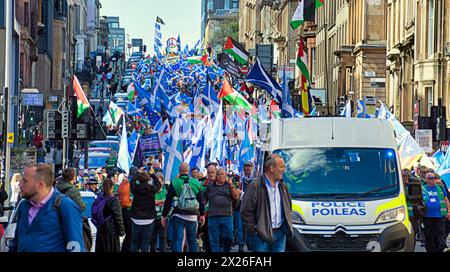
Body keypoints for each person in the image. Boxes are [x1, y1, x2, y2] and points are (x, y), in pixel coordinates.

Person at [9, 164, 84, 252]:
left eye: (25, 181)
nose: (20, 184)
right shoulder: (23, 205)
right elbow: (16, 243)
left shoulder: (65, 206)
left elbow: (75, 247)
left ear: (40, 185)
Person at [240, 154, 293, 252]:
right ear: (272, 168)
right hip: (260, 236)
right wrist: (255, 229)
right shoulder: (255, 185)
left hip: (280, 234)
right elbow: (245, 211)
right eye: (281, 167)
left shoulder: (283, 186)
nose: (284, 170)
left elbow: (288, 206)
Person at [161, 163, 205, 252]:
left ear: (179, 170)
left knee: (177, 239)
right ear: (188, 170)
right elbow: (201, 200)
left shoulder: (175, 182)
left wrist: (164, 215)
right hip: (192, 216)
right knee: (192, 240)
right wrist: (202, 214)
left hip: (178, 215)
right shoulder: (195, 182)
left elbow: (168, 201)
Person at [204, 168, 240, 252]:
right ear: (216, 176)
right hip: (213, 217)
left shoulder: (229, 185)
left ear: (226, 176)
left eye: (222, 174)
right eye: (219, 174)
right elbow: (204, 200)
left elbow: (236, 196)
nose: (220, 176)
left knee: (228, 238)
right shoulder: (210, 186)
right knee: (213, 240)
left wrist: (231, 185)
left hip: (227, 216)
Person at [130, 171, 161, 252]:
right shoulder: (152, 188)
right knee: (146, 242)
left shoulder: (135, 189)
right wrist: (152, 174)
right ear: (148, 179)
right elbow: (159, 184)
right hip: (149, 218)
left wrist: (136, 175)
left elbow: (132, 182)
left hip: (136, 218)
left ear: (139, 179)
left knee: (134, 241)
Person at [421, 172, 450, 252]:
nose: (433, 179)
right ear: (427, 180)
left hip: (440, 215)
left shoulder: (440, 188)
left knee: (441, 233)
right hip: (427, 216)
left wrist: (449, 211)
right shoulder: (423, 189)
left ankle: (442, 248)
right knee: (429, 234)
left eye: (434, 177)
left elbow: (446, 199)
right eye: (430, 178)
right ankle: (430, 249)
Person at [94, 179, 125, 252]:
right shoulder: (113, 200)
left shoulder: (100, 197)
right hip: (111, 232)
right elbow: (118, 217)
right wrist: (121, 231)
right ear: (112, 187)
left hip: (100, 230)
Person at [118, 167, 136, 252]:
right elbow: (133, 197)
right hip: (130, 210)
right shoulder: (133, 183)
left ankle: (124, 249)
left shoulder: (124, 182)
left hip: (123, 209)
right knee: (131, 233)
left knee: (128, 233)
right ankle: (126, 250)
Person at [150, 170, 168, 252]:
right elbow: (151, 202)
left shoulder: (165, 190)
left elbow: (168, 201)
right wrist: (162, 201)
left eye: (160, 181)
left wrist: (158, 202)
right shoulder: (152, 190)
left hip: (163, 217)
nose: (159, 183)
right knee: (152, 237)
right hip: (153, 217)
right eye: (157, 181)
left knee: (163, 237)